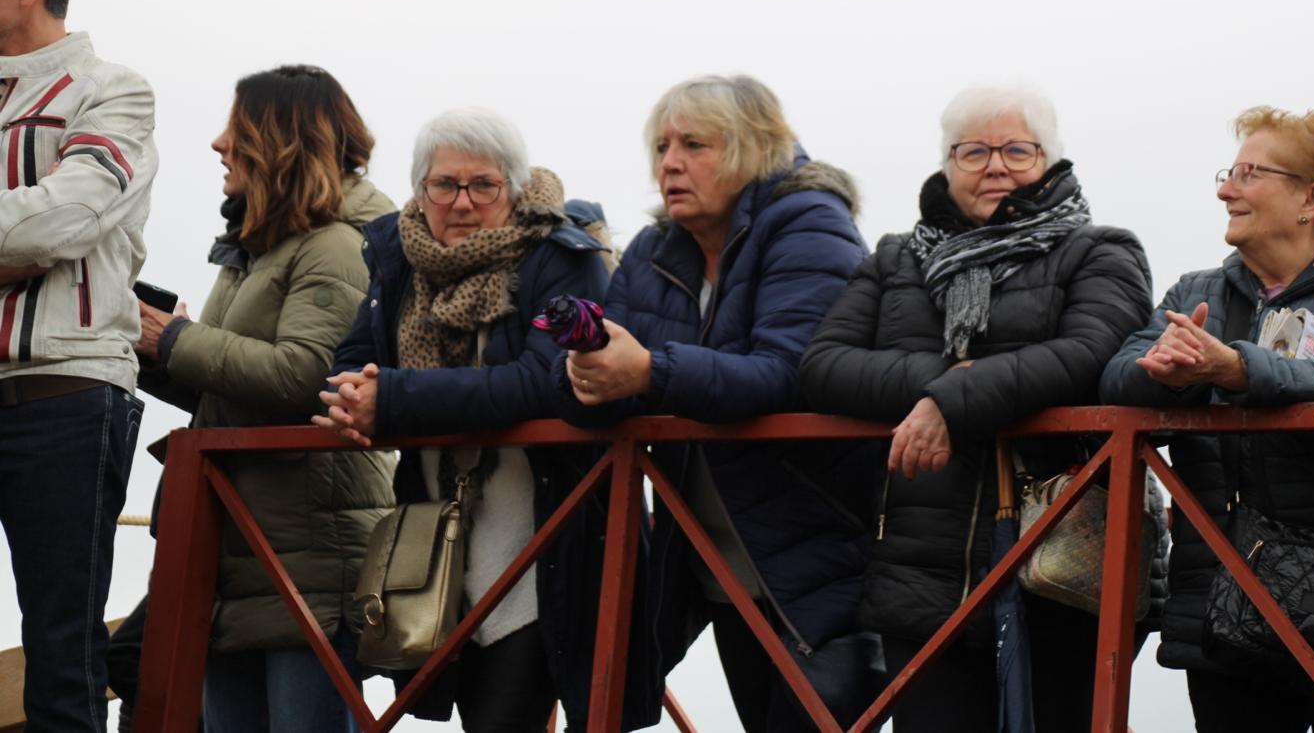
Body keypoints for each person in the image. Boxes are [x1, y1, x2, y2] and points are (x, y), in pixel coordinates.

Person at [798, 83, 1155, 731]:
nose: (995, 165)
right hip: (921, 579)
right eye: (974, 151)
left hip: (1060, 573)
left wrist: (952, 401)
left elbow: (1089, 351)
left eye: (1018, 149)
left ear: (1049, 159)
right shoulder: (895, 258)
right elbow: (823, 366)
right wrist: (941, 381)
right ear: (947, 163)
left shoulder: (1100, 250)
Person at [313, 108, 655, 732]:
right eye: (444, 185)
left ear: (514, 188)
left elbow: (537, 381)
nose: (462, 203)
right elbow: (351, 363)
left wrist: (394, 399)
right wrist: (353, 396)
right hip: (443, 550)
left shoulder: (560, 256)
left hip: (550, 541)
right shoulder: (396, 257)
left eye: (484, 185)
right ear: (421, 189)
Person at [558, 74, 874, 732]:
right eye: (662, 146)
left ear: (750, 149)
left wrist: (646, 369)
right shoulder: (653, 249)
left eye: (694, 144)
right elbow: (614, 388)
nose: (669, 162)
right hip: (720, 562)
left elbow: (789, 373)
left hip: (819, 555)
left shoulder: (811, 221)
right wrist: (588, 374)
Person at [1101, 105, 1314, 733]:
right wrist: (1167, 372)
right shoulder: (1197, 290)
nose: (1226, 189)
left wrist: (1237, 370)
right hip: (1220, 591)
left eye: (1250, 173)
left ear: (1312, 197)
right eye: (1229, 173)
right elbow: (1117, 376)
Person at [133, 65, 396, 730]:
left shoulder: (337, 245)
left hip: (304, 556)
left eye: (238, 128)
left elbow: (307, 374)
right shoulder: (258, 251)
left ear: (280, 143)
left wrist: (178, 339)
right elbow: (229, 381)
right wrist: (151, 346)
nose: (220, 143)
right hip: (243, 555)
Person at [0, 0, 157, 732]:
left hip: (67, 391)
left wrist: (40, 231)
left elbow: (66, 220)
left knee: (62, 654)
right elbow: (39, 226)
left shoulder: (115, 91)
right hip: (49, 387)